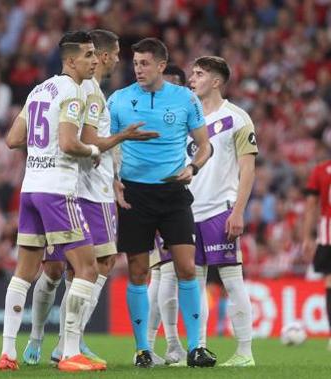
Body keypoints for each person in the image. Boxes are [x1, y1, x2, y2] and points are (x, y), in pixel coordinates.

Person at [22, 29, 158, 367]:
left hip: (64, 185)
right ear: (105, 55)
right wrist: (120, 138)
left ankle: (39, 340)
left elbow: (24, 135)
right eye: (113, 56)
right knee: (97, 264)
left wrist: (111, 176)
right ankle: (70, 341)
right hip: (87, 191)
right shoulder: (91, 93)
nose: (113, 62)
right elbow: (87, 140)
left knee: (56, 268)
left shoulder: (61, 88)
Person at [0, 31, 105, 372]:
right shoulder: (74, 92)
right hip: (58, 190)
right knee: (88, 267)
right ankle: (70, 352)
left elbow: (13, 138)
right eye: (89, 55)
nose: (95, 60)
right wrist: (93, 150)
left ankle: (7, 353)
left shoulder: (39, 89)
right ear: (71, 60)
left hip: (30, 189)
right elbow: (70, 142)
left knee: (25, 271)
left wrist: (40, 154)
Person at [108, 37, 215, 368]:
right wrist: (114, 181)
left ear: (160, 66)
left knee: (186, 268)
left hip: (173, 192)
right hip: (134, 193)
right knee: (138, 272)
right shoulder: (119, 100)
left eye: (144, 63)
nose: (137, 69)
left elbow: (204, 145)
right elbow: (108, 145)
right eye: (135, 63)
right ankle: (142, 349)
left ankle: (196, 346)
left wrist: (193, 167)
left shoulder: (185, 99)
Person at [188, 56, 257, 366]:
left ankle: (244, 352)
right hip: (189, 212)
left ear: (215, 81)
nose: (192, 78)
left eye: (199, 74)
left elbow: (248, 169)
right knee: (195, 283)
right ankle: (198, 348)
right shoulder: (188, 118)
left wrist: (238, 211)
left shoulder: (237, 118)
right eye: (193, 72)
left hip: (220, 209)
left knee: (232, 280)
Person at [145, 65, 188, 365]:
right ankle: (169, 344)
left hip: (176, 203)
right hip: (162, 201)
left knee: (160, 273)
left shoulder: (184, 116)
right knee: (166, 271)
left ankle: (148, 347)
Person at [302, 158, 331, 352]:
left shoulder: (321, 170)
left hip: (328, 235)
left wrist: (307, 236)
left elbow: (311, 205)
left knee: (330, 282)